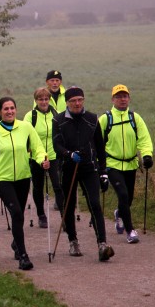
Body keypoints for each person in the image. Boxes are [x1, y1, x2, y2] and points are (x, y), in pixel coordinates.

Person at [0, 97, 49, 270]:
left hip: (23, 177)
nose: (10, 111)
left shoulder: (26, 127)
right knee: (17, 213)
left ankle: (15, 243)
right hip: (3, 179)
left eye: (12, 108)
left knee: (19, 215)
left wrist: (42, 160)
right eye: (6, 109)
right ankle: (23, 256)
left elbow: (38, 148)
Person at [52, 86, 115, 261]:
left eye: (80, 99)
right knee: (69, 206)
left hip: (89, 167)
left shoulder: (92, 119)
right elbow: (56, 145)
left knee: (94, 203)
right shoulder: (58, 121)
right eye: (73, 101)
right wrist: (69, 154)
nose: (77, 103)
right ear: (67, 103)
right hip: (68, 167)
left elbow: (100, 147)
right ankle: (73, 241)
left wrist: (103, 172)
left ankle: (102, 244)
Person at [99, 84, 154, 244]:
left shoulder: (135, 118)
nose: (122, 99)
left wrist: (147, 156)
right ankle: (130, 231)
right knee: (122, 194)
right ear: (112, 99)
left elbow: (144, 139)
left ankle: (119, 214)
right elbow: (97, 144)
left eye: (125, 96)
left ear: (129, 98)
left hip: (131, 164)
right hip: (112, 164)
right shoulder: (105, 119)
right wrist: (99, 166)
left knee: (128, 199)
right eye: (118, 97)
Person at [23, 87, 64, 228]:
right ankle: (41, 215)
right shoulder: (30, 116)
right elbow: (25, 135)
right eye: (40, 99)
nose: (44, 101)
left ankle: (64, 216)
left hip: (53, 156)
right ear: (36, 100)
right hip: (36, 157)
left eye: (46, 99)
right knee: (38, 187)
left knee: (58, 186)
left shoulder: (56, 114)